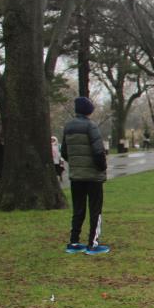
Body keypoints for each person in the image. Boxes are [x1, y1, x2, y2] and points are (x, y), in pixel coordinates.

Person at [61, 97, 110, 255]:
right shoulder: (91, 126)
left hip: (76, 176)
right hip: (93, 176)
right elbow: (98, 151)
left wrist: (75, 164)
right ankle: (93, 244)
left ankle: (74, 241)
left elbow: (64, 152)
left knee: (78, 209)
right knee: (95, 210)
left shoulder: (68, 127)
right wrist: (102, 167)